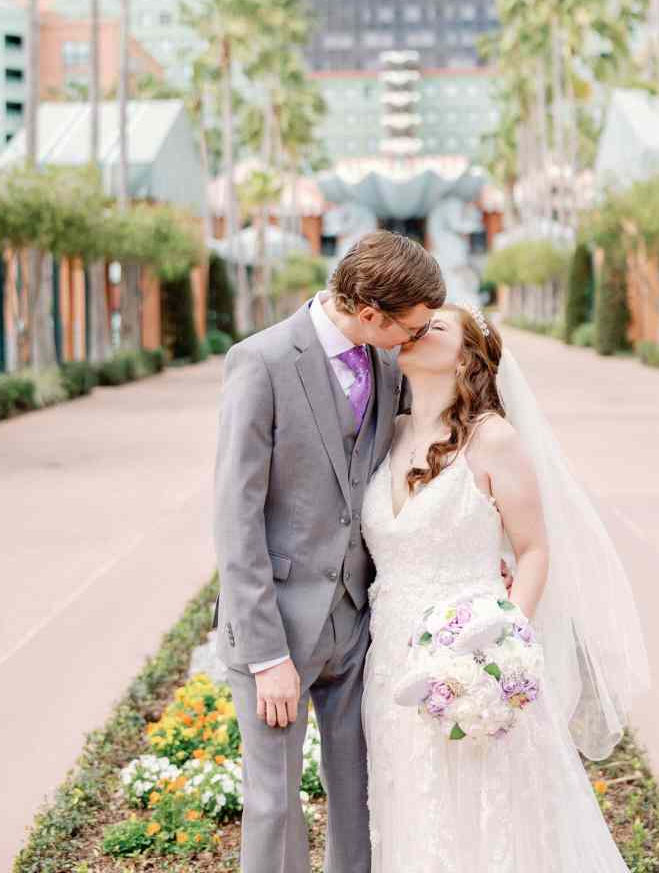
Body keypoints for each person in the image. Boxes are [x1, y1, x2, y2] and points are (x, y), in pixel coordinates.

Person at [361, 302, 651, 873]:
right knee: (414, 811)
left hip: (475, 658)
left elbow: (534, 549)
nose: (415, 331)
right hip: (391, 659)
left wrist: (503, 646)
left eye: (434, 327)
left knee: (491, 818)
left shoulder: (493, 440)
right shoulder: (388, 435)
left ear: (466, 358)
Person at [212, 230, 447, 873]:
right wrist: (267, 656)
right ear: (371, 313)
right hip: (277, 629)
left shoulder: (389, 365)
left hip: (360, 624)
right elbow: (235, 519)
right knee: (274, 806)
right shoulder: (259, 363)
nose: (415, 340)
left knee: (362, 796)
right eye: (412, 328)